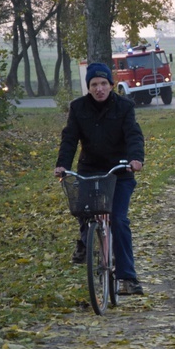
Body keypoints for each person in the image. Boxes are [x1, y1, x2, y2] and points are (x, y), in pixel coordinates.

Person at [54, 62, 146, 296]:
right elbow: (70, 138)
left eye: (104, 83)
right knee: (83, 211)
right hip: (90, 169)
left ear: (111, 85)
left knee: (118, 219)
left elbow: (134, 134)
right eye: (94, 84)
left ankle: (128, 277)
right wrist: (62, 164)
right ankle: (86, 241)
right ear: (89, 87)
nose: (99, 89)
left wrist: (135, 159)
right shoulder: (78, 108)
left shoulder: (124, 107)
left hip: (120, 170)